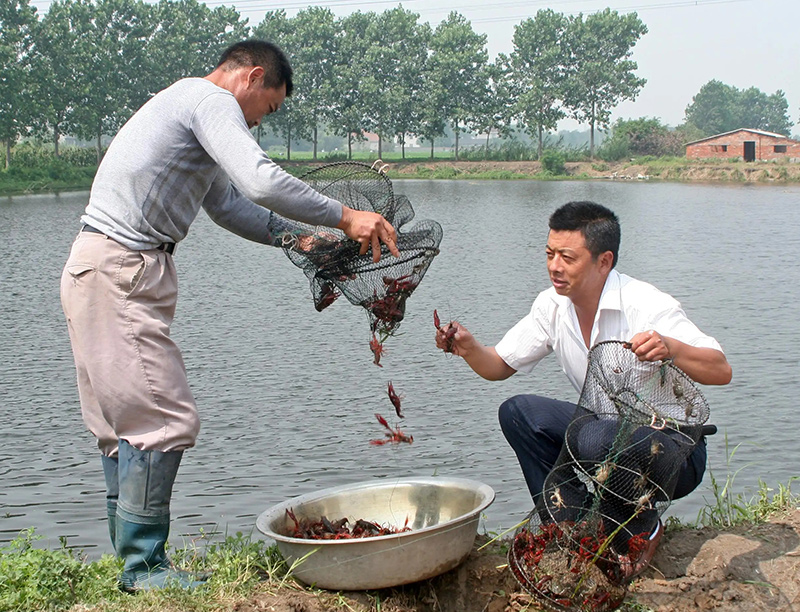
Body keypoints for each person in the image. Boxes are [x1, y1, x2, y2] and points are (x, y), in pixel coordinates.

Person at [60, 40, 399, 592]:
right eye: (267, 108)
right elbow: (261, 181)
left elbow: (228, 206)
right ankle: (145, 570)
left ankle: (133, 565)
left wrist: (300, 237)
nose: (260, 122)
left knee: (119, 425)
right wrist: (346, 215)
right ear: (252, 78)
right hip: (121, 268)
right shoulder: (211, 102)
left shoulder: (181, 103)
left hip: (99, 268)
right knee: (163, 420)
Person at [435, 201, 731, 575]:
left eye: (567, 257)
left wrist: (672, 348)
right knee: (518, 413)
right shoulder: (552, 305)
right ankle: (572, 527)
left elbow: (721, 370)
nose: (555, 267)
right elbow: (498, 365)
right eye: (549, 254)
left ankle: (644, 527)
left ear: (603, 261)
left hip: (672, 454)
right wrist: (469, 348)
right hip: (603, 436)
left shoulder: (646, 305)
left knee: (593, 438)